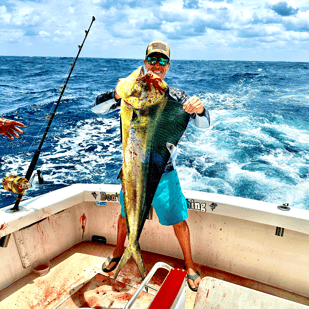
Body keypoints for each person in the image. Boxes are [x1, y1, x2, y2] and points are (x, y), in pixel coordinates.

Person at [91, 40, 210, 292]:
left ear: (168, 65)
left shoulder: (177, 96)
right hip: (132, 171)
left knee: (178, 219)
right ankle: (118, 251)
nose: (157, 65)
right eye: (152, 59)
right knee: (125, 215)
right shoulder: (129, 91)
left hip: (164, 172)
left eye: (163, 60)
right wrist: (115, 94)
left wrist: (199, 110)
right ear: (145, 62)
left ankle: (189, 264)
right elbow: (97, 107)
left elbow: (204, 124)